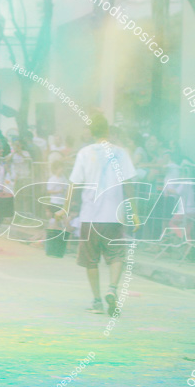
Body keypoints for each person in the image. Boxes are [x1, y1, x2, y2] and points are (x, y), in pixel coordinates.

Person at [65, 116, 136, 315]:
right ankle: (112, 288)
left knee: (90, 259)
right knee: (116, 255)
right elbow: (128, 184)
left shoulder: (85, 153)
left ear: (91, 132)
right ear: (108, 131)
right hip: (115, 215)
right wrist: (135, 213)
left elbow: (74, 184)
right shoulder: (121, 153)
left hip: (90, 215)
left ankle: (97, 301)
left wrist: (65, 208)